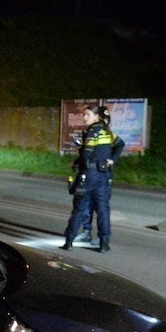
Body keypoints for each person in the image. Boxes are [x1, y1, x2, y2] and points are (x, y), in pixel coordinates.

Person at [61, 104, 124, 252]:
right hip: (104, 176)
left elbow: (86, 156)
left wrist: (75, 162)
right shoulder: (107, 132)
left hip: (89, 175)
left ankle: (69, 241)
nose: (84, 118)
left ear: (96, 117)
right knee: (103, 210)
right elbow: (120, 144)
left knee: (79, 209)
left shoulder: (93, 132)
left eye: (87, 115)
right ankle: (104, 243)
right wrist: (112, 159)